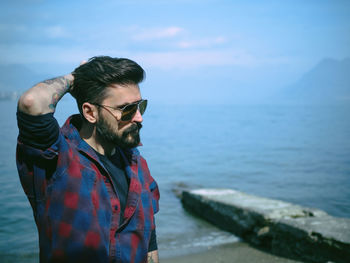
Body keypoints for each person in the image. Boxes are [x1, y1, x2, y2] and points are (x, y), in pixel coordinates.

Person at [16, 56, 160, 263]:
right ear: (90, 113)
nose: (139, 118)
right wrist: (76, 78)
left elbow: (149, 243)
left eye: (140, 106)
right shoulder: (58, 159)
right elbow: (32, 103)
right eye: (127, 109)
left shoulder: (138, 165)